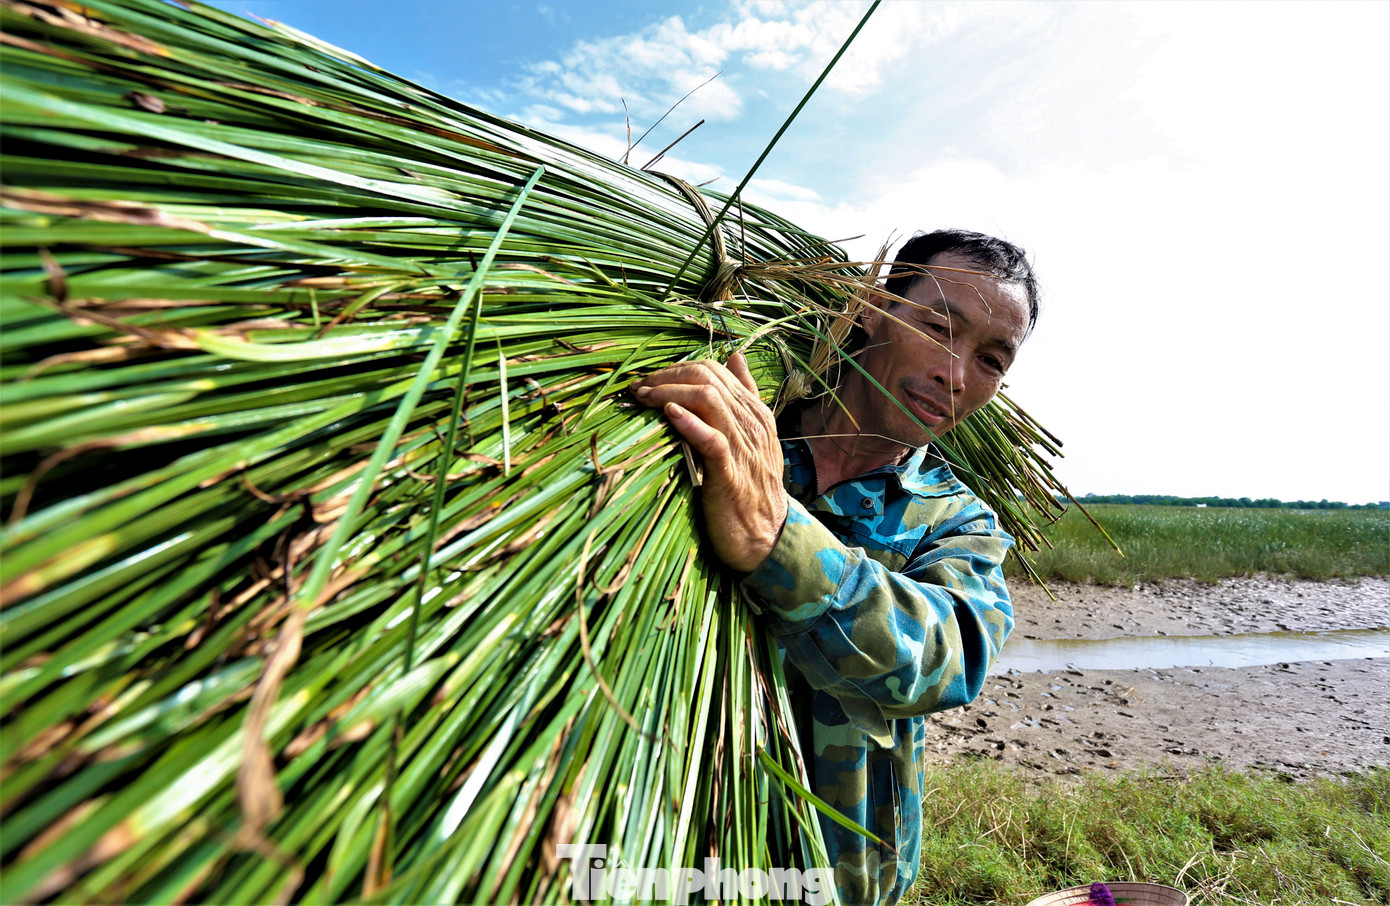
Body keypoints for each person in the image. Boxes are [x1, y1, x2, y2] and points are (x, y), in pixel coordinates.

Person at [631, 229, 1038, 906]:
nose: (957, 373)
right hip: (671, 845)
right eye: (939, 327)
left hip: (835, 875)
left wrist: (775, 536)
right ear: (874, 308)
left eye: (992, 359)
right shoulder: (738, 428)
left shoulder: (957, 521)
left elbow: (951, 654)